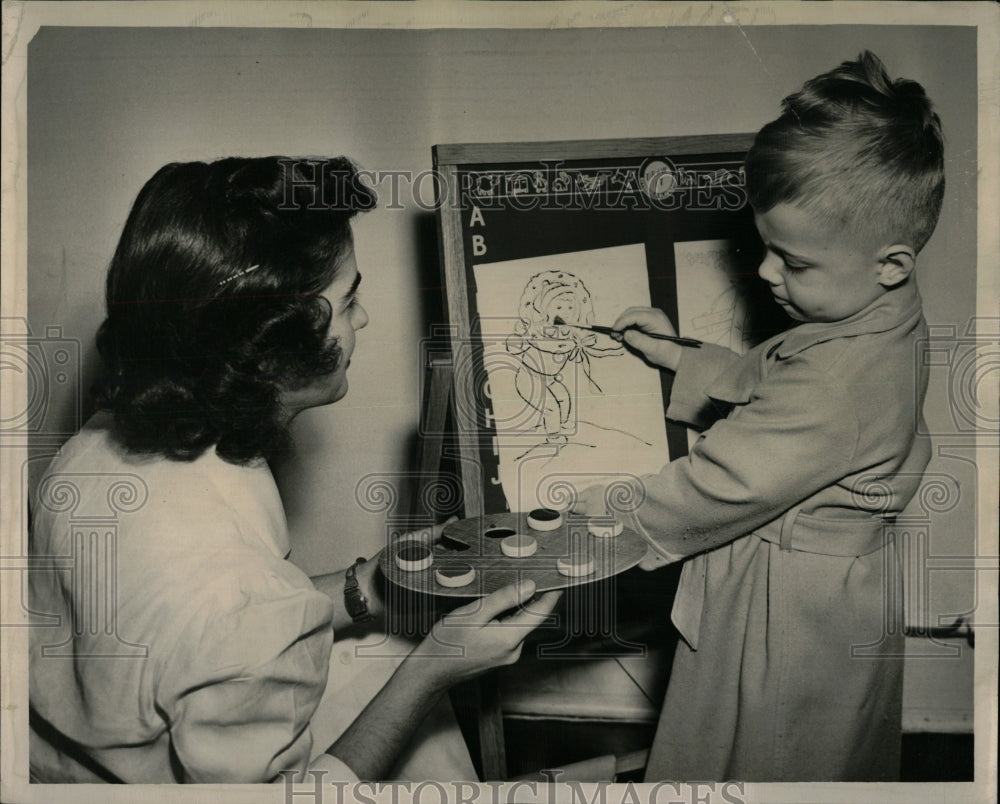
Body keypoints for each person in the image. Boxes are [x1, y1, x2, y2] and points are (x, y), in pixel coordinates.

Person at [28, 156, 562, 783]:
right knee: (407, 669)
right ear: (278, 341)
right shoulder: (240, 604)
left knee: (379, 647)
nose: (361, 317)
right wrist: (436, 665)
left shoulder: (100, 444)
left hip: (61, 763)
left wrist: (372, 585)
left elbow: (215, 624)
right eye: (348, 299)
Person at [573, 52, 942, 781]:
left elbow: (716, 486)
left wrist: (569, 530)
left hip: (786, 619)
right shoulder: (875, 314)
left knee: (758, 759)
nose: (768, 273)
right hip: (824, 601)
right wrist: (678, 355)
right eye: (766, 247)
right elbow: (782, 372)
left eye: (792, 262)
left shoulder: (839, 383)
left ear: (890, 262)